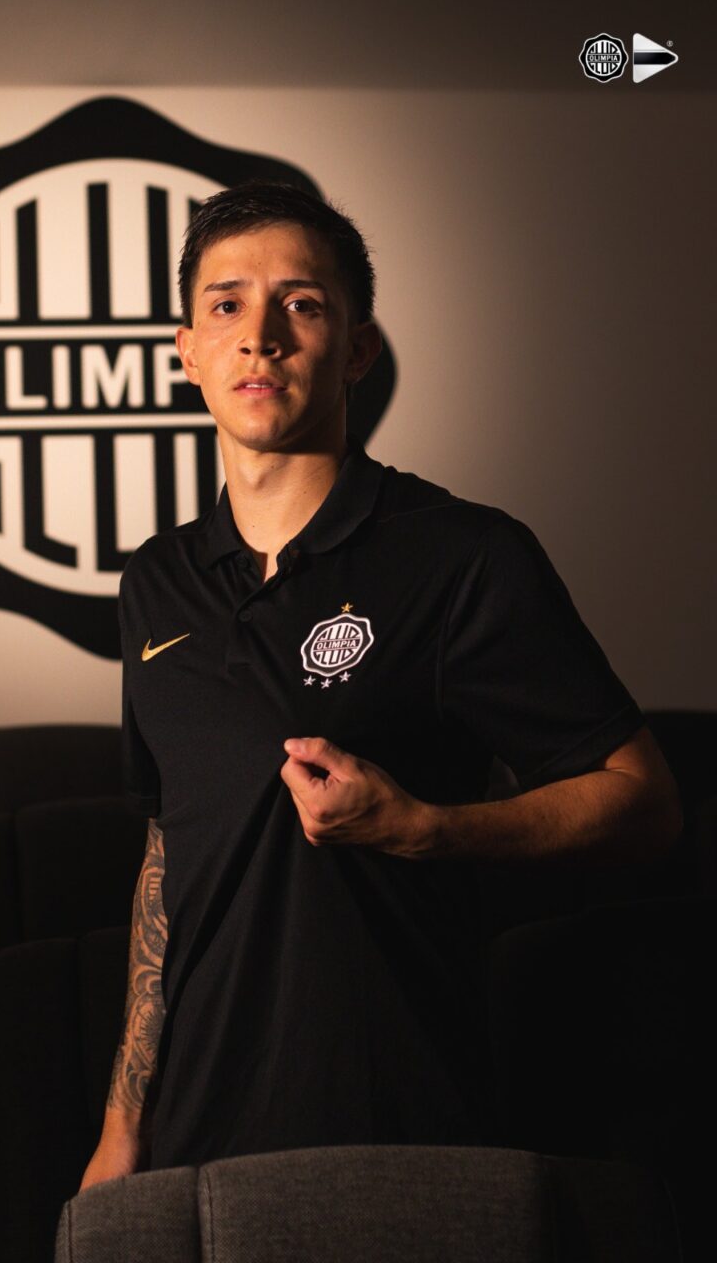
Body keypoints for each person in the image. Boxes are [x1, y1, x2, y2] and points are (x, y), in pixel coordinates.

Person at [80, 181, 681, 1188]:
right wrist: (123, 1120)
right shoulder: (155, 580)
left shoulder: (462, 556)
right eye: (226, 305)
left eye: (301, 304)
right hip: (190, 1132)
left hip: (393, 1117)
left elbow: (644, 802)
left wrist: (427, 828)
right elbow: (168, 850)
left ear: (358, 349)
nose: (260, 336)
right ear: (187, 351)